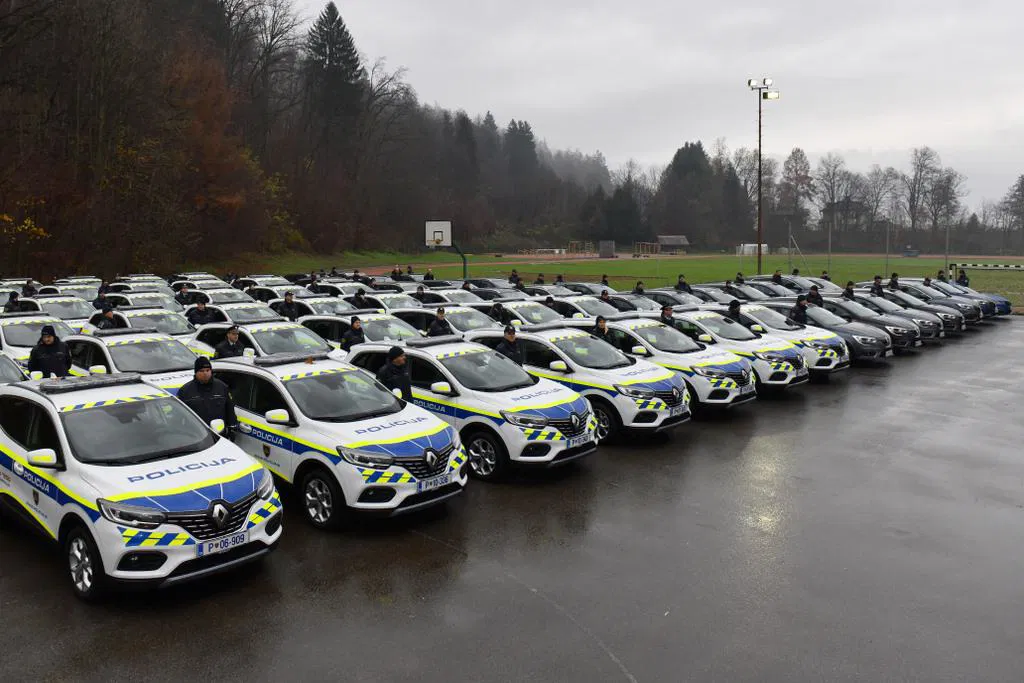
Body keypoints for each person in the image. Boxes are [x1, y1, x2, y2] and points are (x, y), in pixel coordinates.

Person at [177, 357, 237, 437]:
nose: (205, 373)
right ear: (196, 372)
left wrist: (232, 428)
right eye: (201, 371)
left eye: (208, 370)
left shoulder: (222, 387)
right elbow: (179, 416)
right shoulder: (185, 391)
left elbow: (230, 409)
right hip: (197, 437)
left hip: (219, 435)